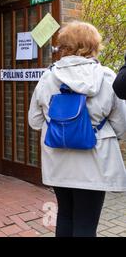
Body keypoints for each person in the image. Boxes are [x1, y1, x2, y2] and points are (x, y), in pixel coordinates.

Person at [28, 21, 126, 237]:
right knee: (86, 223)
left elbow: (34, 121)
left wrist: (61, 127)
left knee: (65, 215)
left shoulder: (48, 76)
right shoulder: (106, 76)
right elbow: (121, 125)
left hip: (58, 161)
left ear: (65, 46)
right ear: (92, 45)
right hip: (95, 160)